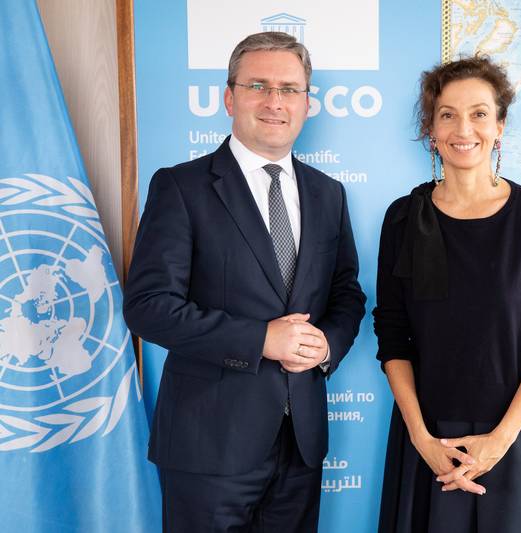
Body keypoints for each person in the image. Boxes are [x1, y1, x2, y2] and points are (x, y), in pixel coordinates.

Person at [123, 32, 366, 532]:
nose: (275, 101)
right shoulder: (181, 187)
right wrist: (260, 340)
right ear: (230, 98)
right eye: (258, 86)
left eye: (289, 89)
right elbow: (148, 306)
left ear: (306, 103)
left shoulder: (328, 194)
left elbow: (346, 292)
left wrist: (325, 346)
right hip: (208, 444)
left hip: (301, 445)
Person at [373, 56, 521, 532]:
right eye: (447, 114)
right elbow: (393, 333)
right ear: (431, 129)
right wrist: (421, 438)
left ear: (499, 126)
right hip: (431, 445)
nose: (463, 129)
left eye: (479, 113)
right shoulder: (403, 218)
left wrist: (501, 439)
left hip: (519, 436)